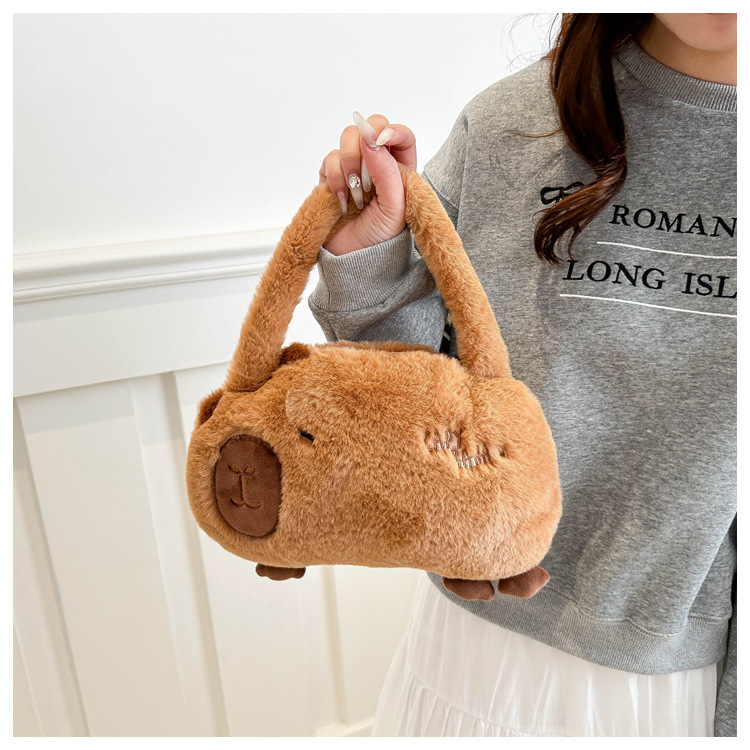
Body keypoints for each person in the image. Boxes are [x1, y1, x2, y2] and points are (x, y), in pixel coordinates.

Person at [310, 13, 736, 737]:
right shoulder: (511, 125)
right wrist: (369, 261)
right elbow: (408, 408)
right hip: (471, 651)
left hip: (674, 688)